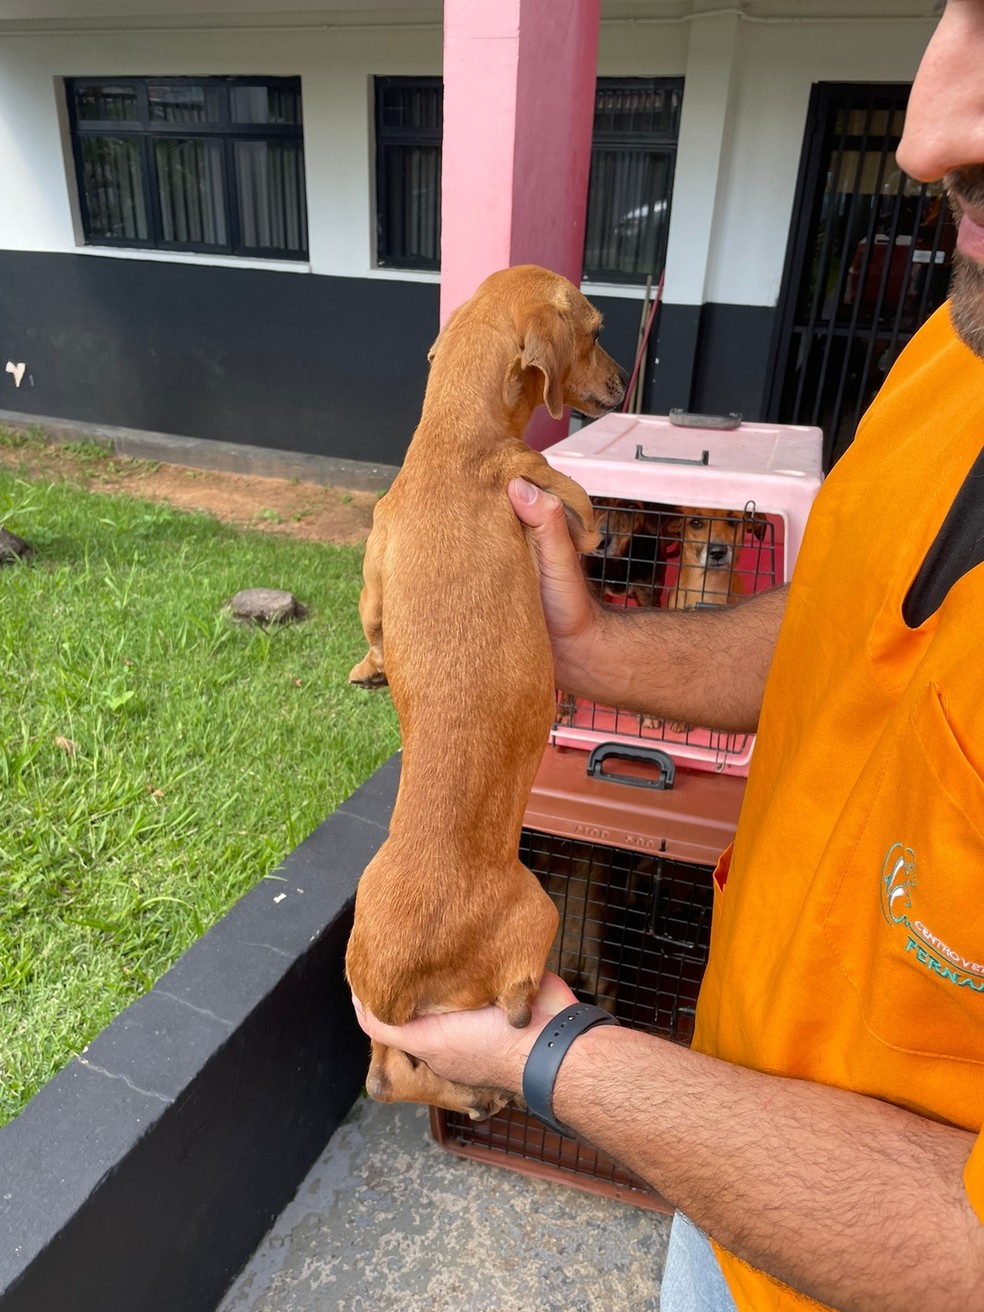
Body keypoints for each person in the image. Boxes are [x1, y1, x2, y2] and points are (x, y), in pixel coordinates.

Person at [353, 4, 984, 1307]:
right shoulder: (953, 350)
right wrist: (586, 651)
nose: (924, 136)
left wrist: (549, 1055)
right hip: (715, 1171)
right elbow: (860, 638)